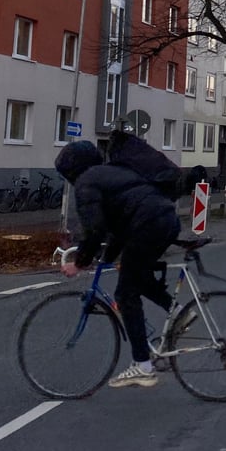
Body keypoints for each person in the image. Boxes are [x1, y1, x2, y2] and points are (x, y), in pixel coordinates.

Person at [55, 139, 181, 389]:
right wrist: (106, 259)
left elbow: (95, 230)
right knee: (137, 276)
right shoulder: (115, 172)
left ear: (71, 170)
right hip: (166, 219)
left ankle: (142, 366)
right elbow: (119, 227)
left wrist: (79, 263)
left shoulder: (87, 182)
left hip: (147, 225)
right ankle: (177, 312)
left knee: (125, 294)